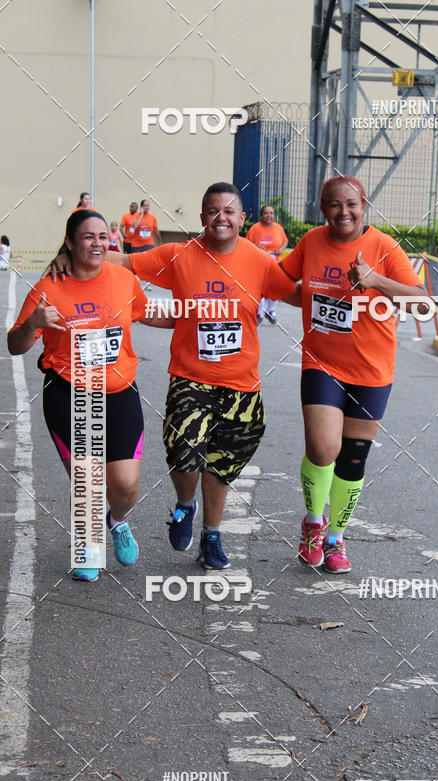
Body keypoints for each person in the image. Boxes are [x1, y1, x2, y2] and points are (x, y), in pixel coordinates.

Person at [49, 183, 295, 569]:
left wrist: (352, 286)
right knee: (184, 455)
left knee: (220, 466)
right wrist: (67, 255)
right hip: (190, 377)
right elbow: (123, 261)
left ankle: (211, 535)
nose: (221, 218)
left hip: (242, 384)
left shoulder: (260, 261)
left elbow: (295, 291)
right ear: (202, 218)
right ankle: (185, 505)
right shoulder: (180, 256)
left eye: (230, 211)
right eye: (213, 211)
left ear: (242, 218)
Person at [280, 175, 430, 574]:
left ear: (364, 205)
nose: (342, 212)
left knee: (353, 459)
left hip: (372, 369)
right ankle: (314, 523)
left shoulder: (384, 247)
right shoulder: (311, 242)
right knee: (322, 448)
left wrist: (376, 281)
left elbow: (423, 305)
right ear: (322, 207)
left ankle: (336, 539)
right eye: (333, 204)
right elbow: (280, 281)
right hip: (322, 363)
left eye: (351, 204)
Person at [7, 210, 151, 582]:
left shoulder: (122, 279)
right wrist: (34, 323)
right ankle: (87, 546)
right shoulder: (48, 287)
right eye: (88, 237)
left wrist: (196, 314)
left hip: (119, 391)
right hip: (69, 392)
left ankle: (116, 521)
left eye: (103, 237)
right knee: (87, 478)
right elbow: (15, 344)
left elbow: (146, 312)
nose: (98, 243)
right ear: (70, 242)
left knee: (125, 486)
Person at [246, 205, 288, 325]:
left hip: (276, 264)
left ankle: (270, 311)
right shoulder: (255, 229)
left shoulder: (278, 228)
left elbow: (285, 241)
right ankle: (258, 314)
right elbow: (246, 244)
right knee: (260, 290)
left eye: (271, 213)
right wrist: (255, 247)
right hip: (259, 265)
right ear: (261, 215)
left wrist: (281, 249)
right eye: (266, 213)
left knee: (275, 288)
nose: (269, 215)